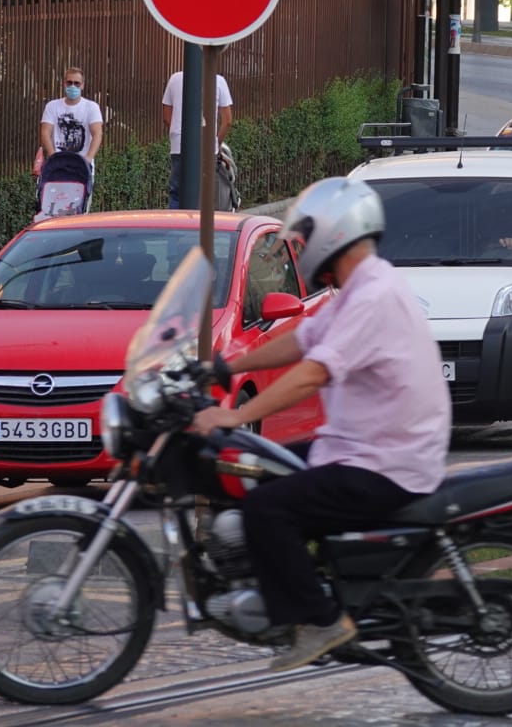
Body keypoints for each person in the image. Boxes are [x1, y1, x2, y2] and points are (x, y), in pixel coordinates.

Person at [190, 178, 451, 672]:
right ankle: (291, 587)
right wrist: (226, 366)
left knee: (268, 508)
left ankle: (320, 620)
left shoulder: (373, 295)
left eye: (306, 237)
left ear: (336, 234)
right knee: (258, 471)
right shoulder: (361, 289)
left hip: (384, 462)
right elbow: (303, 340)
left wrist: (239, 414)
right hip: (361, 447)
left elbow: (315, 370)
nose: (301, 247)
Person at [162, 69, 234, 208]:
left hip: (179, 146)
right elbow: (227, 121)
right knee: (204, 193)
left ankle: (176, 224)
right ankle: (198, 226)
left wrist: (180, 134)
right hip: (206, 146)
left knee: (177, 192)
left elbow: (166, 116)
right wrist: (216, 143)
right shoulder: (218, 81)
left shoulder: (175, 79)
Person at [40, 67, 103, 207]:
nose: (73, 86)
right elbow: (45, 132)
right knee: (54, 208)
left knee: (80, 208)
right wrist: (53, 156)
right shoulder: (52, 106)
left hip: (81, 167)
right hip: (57, 168)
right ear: (64, 84)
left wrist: (87, 158)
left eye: (77, 83)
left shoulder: (91, 107)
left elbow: (97, 133)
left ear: (83, 85)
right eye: (69, 83)